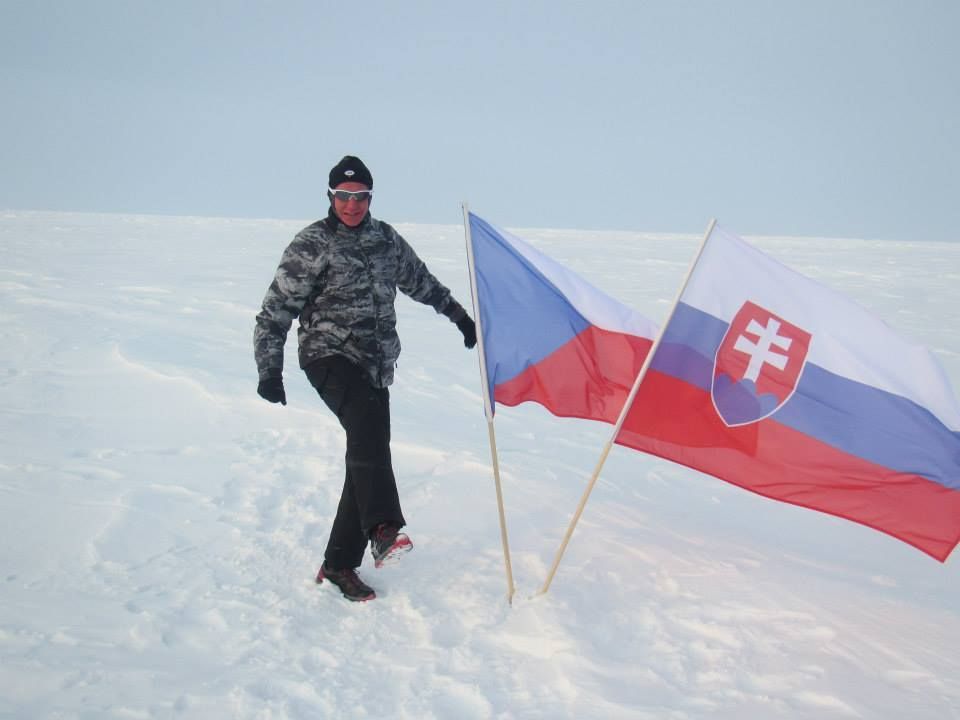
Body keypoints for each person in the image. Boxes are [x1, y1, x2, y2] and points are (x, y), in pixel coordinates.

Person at [253, 155, 477, 602]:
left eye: (359, 197)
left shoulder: (385, 240)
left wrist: (459, 317)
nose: (351, 205)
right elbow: (276, 308)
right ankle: (383, 528)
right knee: (368, 436)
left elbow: (421, 281)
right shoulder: (313, 242)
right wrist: (269, 368)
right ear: (331, 196)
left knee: (367, 449)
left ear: (370, 198)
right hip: (327, 354)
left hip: (376, 364)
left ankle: (339, 564)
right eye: (343, 196)